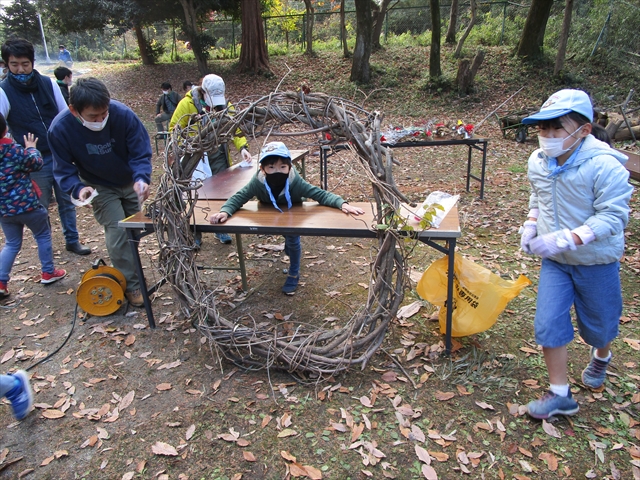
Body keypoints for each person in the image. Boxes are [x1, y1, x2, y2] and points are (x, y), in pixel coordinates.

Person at [518, 89, 633, 419]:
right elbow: (537, 198)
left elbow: (613, 216)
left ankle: (602, 356)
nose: (548, 137)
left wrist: (568, 238)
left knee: (599, 326)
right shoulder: (538, 162)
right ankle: (560, 395)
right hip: (556, 263)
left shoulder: (605, 166)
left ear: (583, 131)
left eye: (557, 129)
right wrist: (531, 225)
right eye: (543, 129)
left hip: (596, 261)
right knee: (547, 323)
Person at [48, 77, 153, 308]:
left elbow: (140, 151)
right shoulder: (60, 128)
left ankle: (131, 271)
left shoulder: (123, 115)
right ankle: (132, 284)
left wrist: (141, 178)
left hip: (130, 181)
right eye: (93, 117)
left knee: (133, 232)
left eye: (104, 113)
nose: (100, 120)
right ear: (74, 110)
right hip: (99, 186)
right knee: (117, 231)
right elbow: (63, 169)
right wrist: (78, 188)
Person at [209, 142, 366, 294]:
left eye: (282, 167)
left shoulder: (295, 182)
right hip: (269, 213)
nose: (277, 171)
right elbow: (240, 196)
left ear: (289, 167)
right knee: (288, 241)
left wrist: (342, 204)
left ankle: (293, 272)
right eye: (271, 167)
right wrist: (225, 211)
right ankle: (290, 250)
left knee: (292, 239)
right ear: (262, 169)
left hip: (293, 213)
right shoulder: (257, 182)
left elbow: (320, 194)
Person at [0, 38, 90, 256]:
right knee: (39, 206)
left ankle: (72, 239)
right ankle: (46, 246)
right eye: (14, 64)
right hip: (30, 159)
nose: (20, 69)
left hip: (59, 153)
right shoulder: (3, 91)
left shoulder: (48, 84)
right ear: (6, 65)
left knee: (67, 201)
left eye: (24, 64)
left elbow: (64, 114)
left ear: (32, 62)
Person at [170, 73, 252, 246]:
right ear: (203, 92)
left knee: (221, 192)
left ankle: (219, 229)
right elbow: (174, 129)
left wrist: (243, 147)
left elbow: (235, 128)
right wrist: (189, 143)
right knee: (196, 194)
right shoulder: (187, 104)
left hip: (218, 155)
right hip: (195, 158)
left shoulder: (225, 106)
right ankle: (196, 232)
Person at [0, 113, 67, 297]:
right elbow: (35, 163)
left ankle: (1, 281)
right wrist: (31, 148)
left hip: (4, 211)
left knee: (11, 243)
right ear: (5, 128)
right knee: (43, 235)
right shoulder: (13, 150)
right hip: (29, 205)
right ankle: (48, 271)